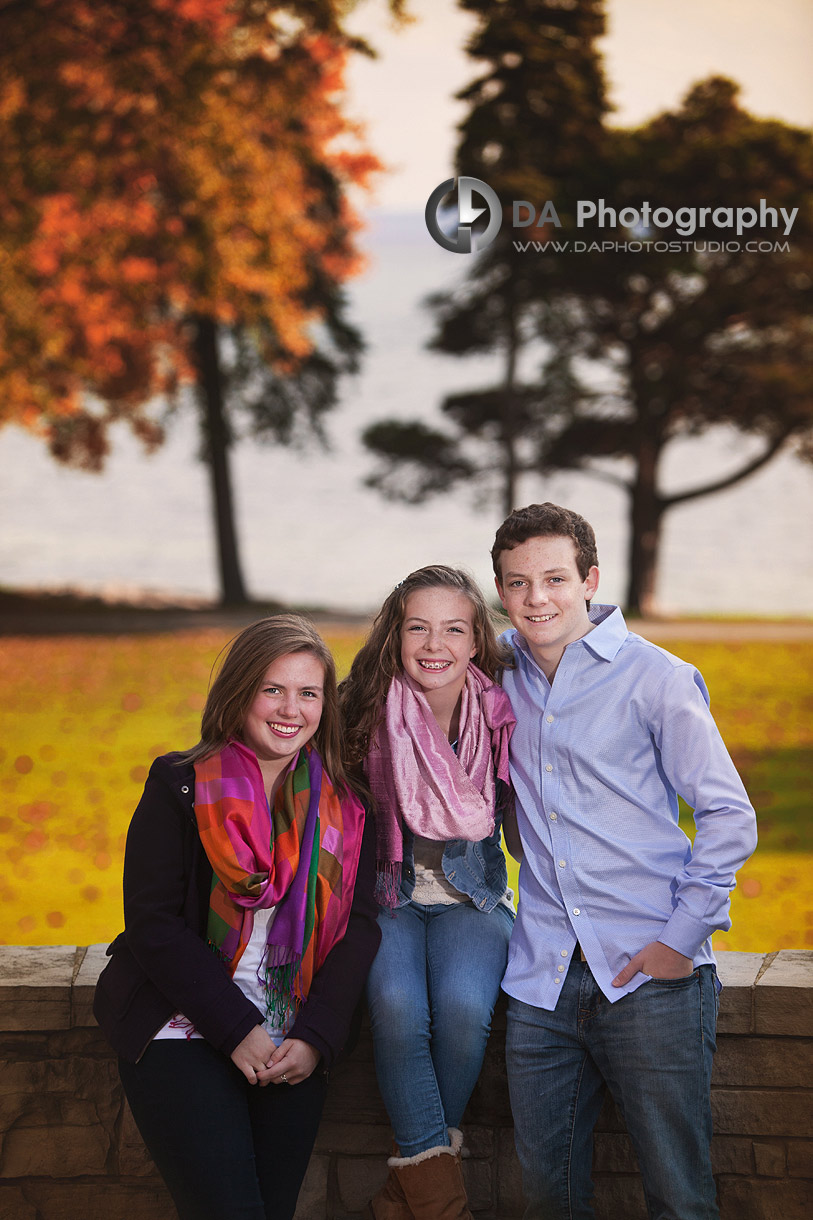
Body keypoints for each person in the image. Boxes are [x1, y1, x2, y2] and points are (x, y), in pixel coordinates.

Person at [491, 502, 758, 1220]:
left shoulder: (656, 678)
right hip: (539, 978)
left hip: (651, 974)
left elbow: (729, 815)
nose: (536, 598)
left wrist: (680, 940)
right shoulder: (495, 673)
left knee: (678, 1197)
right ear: (500, 592)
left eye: (553, 578)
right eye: (516, 583)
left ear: (590, 579)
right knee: (547, 1198)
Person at [94, 615, 381, 1220]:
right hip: (184, 1023)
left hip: (290, 1035)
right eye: (272, 688)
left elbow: (358, 927)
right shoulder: (178, 785)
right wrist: (235, 1029)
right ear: (239, 692)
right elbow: (153, 925)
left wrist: (315, 1038)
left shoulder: (349, 807)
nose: (291, 709)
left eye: (309, 693)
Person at [340, 565, 518, 1220]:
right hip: (385, 896)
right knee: (393, 1005)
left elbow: (534, 825)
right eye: (418, 626)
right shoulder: (357, 707)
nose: (434, 644)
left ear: (476, 641)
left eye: (453, 628)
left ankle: (404, 1193)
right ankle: (441, 1205)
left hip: (471, 897)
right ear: (395, 635)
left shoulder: (500, 714)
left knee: (465, 1011)